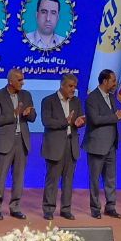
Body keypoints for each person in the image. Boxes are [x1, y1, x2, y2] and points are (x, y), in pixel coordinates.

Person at [85, 69, 121, 218]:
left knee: (111, 179)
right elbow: (95, 120)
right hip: (96, 146)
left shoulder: (111, 97)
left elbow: (112, 117)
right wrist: (115, 117)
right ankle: (95, 209)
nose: (115, 83)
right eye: (113, 81)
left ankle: (110, 207)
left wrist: (119, 115)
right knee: (95, 180)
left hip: (111, 145)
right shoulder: (92, 98)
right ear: (105, 81)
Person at [0, 68, 35, 220]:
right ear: (11, 81)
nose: (23, 83)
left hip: (22, 141)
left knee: (19, 177)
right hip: (5, 141)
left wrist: (29, 113)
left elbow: (33, 117)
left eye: (23, 80)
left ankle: (15, 207)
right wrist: (14, 114)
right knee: (0, 177)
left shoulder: (26, 95)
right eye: (20, 80)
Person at [42, 73, 85, 220]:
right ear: (62, 85)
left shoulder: (76, 102)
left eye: (75, 87)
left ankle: (66, 209)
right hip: (55, 146)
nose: (73, 89)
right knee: (52, 180)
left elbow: (78, 119)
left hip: (71, 145)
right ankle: (49, 209)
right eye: (70, 86)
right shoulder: (48, 101)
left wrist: (80, 122)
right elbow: (47, 122)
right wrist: (65, 122)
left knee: (68, 180)